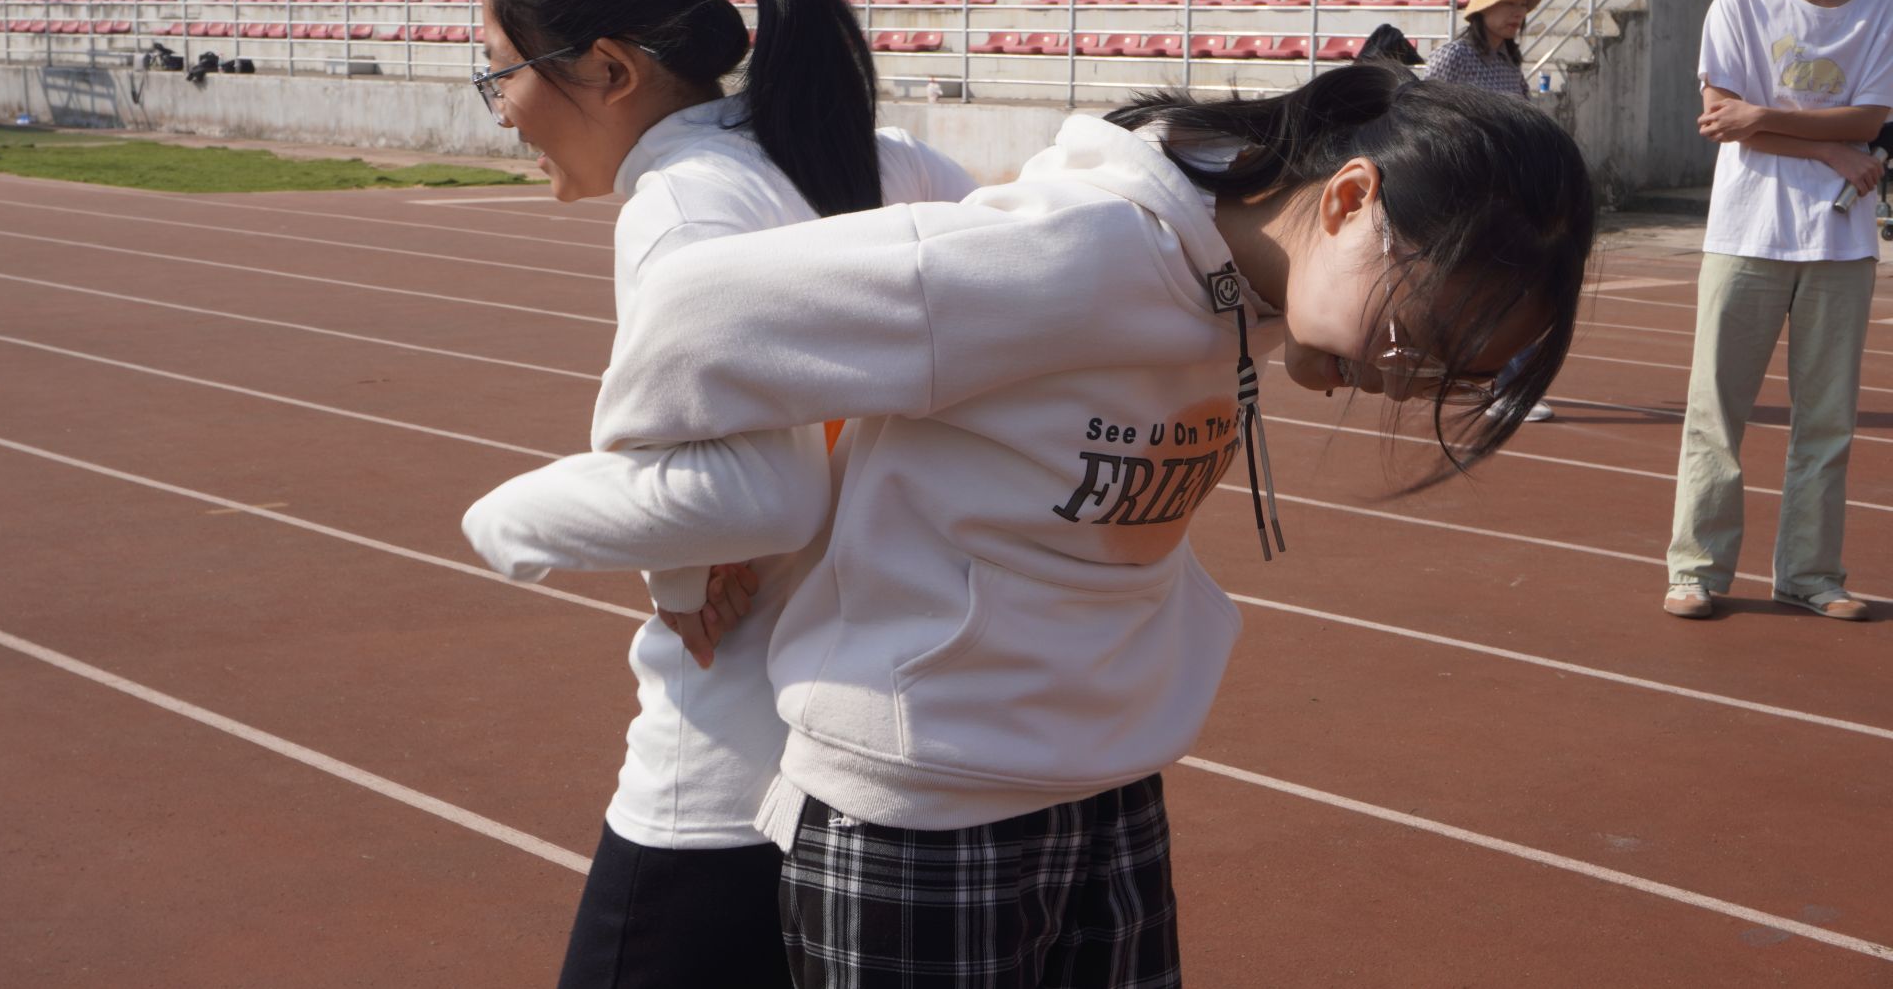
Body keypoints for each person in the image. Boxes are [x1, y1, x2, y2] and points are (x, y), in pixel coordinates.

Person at [535, 63, 1594, 987]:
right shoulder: (1071, 249)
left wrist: (1344, 337)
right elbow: (695, 315)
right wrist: (687, 548)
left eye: (1454, 371)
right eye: (1416, 337)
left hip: (1104, 786)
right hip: (922, 809)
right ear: (1350, 199)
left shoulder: (1247, 281)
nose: (1406, 382)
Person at [459, 0, 974, 989]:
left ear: (609, 69)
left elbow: (756, 493)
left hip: (724, 775)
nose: (499, 109)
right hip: (886, 754)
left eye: (499, 69)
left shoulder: (682, 212)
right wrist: (680, 556)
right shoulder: (894, 162)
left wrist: (506, 519)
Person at [1662, 0, 1891, 623]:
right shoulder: (1740, 2)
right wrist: (1830, 150)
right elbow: (1721, 116)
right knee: (1716, 411)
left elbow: (1869, 118)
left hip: (1840, 243)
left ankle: (1811, 573)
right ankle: (1696, 568)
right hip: (1747, 233)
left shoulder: (1882, 12)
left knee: (1825, 422)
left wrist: (1764, 116)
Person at [1422, 0, 1557, 422]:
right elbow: (1419, 110)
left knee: (1511, 289)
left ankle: (1504, 383)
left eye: (1522, 4)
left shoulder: (1507, 64)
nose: (1518, 12)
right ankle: (1506, 387)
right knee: (1497, 290)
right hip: (1466, 195)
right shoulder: (1454, 57)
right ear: (1481, 9)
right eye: (1508, 3)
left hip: (1507, 195)